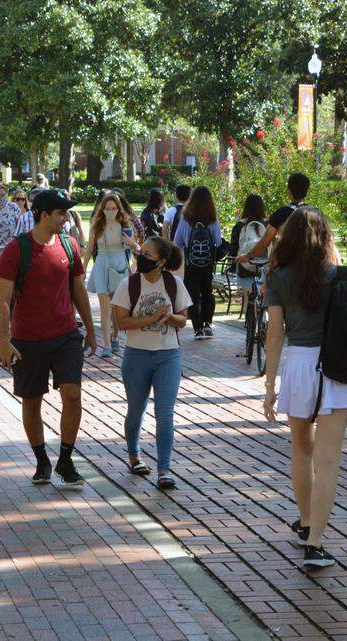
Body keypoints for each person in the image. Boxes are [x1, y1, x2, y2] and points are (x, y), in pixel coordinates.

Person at [262, 206, 347, 569]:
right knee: (328, 458)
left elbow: (274, 335)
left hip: (298, 364)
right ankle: (317, 541)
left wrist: (269, 385)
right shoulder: (340, 274)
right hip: (337, 366)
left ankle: (305, 522)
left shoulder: (278, 277)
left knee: (300, 450)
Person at [0, 188, 97, 486]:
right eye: (61, 213)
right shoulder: (17, 250)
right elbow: (2, 300)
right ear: (43, 215)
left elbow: (78, 290)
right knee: (31, 401)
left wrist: (90, 331)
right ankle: (41, 461)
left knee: (73, 394)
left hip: (66, 334)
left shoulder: (69, 245)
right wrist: (3, 339)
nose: (66, 218)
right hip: (28, 339)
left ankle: (65, 459)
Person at [110, 237, 190, 490]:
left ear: (162, 261)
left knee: (165, 415)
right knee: (136, 409)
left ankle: (164, 469)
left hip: (168, 355)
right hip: (137, 355)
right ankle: (134, 455)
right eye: (140, 251)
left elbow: (183, 320)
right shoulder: (129, 285)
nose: (140, 256)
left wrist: (169, 316)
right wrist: (151, 318)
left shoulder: (174, 284)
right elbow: (120, 323)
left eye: (148, 254)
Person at [84, 190, 140, 356]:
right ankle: (106, 345)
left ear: (119, 209)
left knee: (117, 307)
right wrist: (82, 267)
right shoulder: (97, 225)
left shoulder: (125, 225)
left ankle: (115, 335)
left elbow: (136, 249)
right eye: (107, 209)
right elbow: (89, 249)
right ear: (102, 209)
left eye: (113, 208)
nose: (110, 212)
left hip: (119, 264)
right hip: (101, 262)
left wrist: (131, 244)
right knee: (104, 307)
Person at [173, 186, 223, 339]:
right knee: (207, 292)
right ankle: (208, 324)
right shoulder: (212, 218)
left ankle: (197, 329)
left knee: (193, 295)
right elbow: (218, 241)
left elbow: (177, 242)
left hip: (191, 263)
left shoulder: (185, 216)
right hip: (208, 263)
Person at [235, 172, 310, 267]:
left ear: (289, 191)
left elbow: (265, 242)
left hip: (288, 265)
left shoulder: (282, 213)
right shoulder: (315, 213)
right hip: (310, 264)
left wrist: (248, 256)